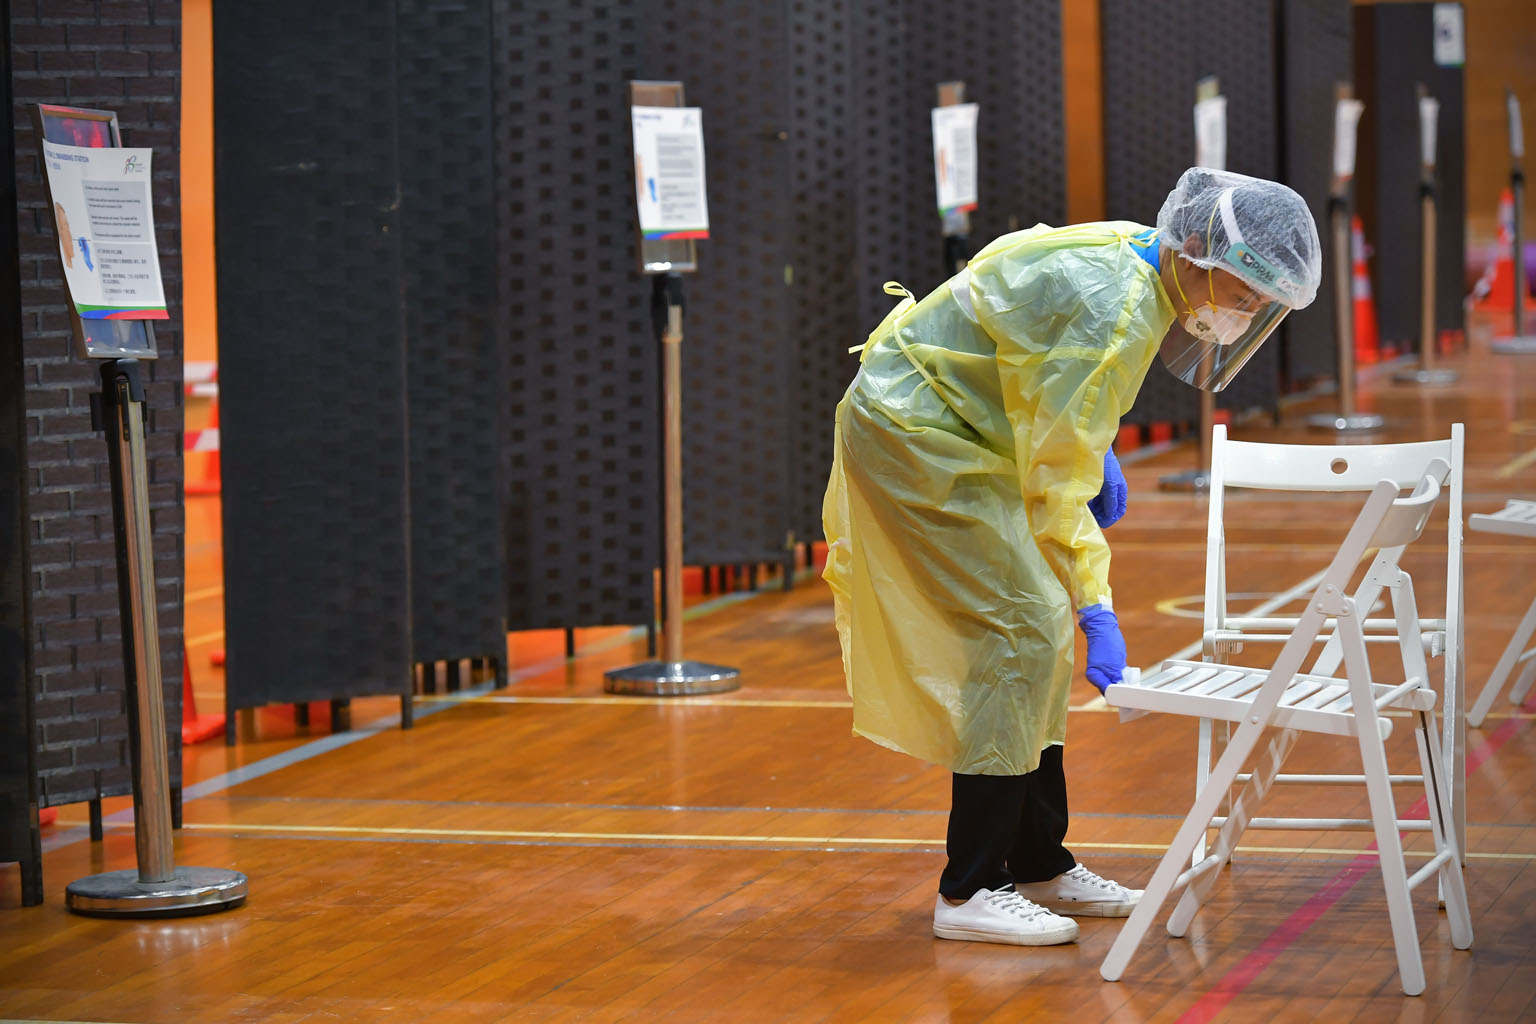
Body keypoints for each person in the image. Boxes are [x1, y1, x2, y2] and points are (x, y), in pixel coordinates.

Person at [822, 167, 1321, 947]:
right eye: (1240, 292)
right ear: (1197, 250)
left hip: (968, 426)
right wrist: (1099, 606)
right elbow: (1058, 488)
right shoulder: (1118, 310)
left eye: (1256, 307)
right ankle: (970, 889)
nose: (1239, 313)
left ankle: (1039, 862)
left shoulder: (1141, 254)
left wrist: (1092, 445)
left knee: (1033, 627)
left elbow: (1021, 325)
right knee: (1017, 629)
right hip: (916, 432)